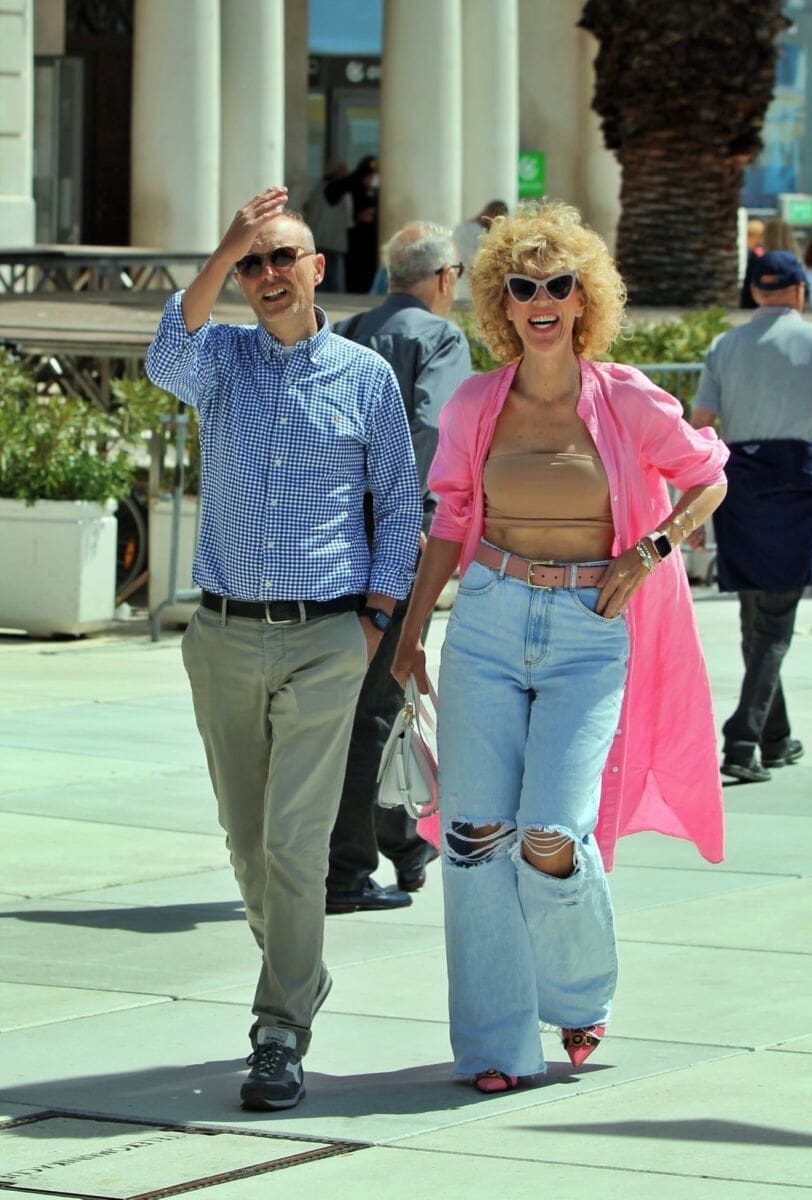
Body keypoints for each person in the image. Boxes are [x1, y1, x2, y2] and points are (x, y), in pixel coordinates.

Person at [391, 201, 729, 1093]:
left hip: (588, 628)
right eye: (522, 287)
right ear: (502, 303)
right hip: (489, 620)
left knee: (550, 832)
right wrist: (413, 630)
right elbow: (451, 518)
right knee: (475, 837)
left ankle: (579, 993)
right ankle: (495, 1047)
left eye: (558, 285)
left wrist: (651, 549)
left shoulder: (626, 397)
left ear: (585, 298)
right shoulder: (476, 402)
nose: (541, 302)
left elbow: (708, 476)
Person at [145, 186, 422, 1111]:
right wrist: (221, 250)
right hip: (223, 634)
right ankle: (301, 972)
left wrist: (375, 621)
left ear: (316, 269)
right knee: (247, 844)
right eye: (253, 263)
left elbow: (400, 504)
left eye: (281, 257)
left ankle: (280, 1030)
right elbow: (164, 353)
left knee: (294, 844)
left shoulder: (365, 377)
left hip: (325, 638)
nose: (266, 274)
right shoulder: (221, 360)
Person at [326, 221, 473, 913]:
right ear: (444, 277)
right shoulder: (439, 338)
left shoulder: (348, 330)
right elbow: (433, 428)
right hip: (395, 540)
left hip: (332, 542)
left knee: (350, 702)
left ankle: (403, 843)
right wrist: (416, 519)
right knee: (380, 704)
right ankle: (348, 870)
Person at [692, 250, 812, 783]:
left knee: (754, 616)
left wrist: (693, 507)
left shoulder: (724, 345)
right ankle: (743, 740)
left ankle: (775, 737)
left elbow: (701, 424)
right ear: (799, 291)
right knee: (774, 621)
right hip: (798, 480)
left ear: (755, 292)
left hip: (741, 485)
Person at [327, 155, 380, 293]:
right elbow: (331, 195)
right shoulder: (353, 184)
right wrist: (358, 216)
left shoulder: (380, 190)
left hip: (374, 238)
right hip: (355, 239)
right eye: (369, 176)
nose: (371, 180)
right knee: (354, 273)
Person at [304, 162, 353, 292]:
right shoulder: (330, 189)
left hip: (322, 242)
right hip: (329, 245)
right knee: (332, 287)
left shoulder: (318, 189)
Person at [454, 200, 510, 300]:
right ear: (492, 213)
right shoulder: (477, 234)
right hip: (469, 288)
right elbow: (476, 263)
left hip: (458, 284)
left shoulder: (461, 228)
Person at [740, 217, 800, 309]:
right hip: (790, 310)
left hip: (761, 309)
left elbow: (748, 291)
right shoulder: (795, 261)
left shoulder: (759, 258)